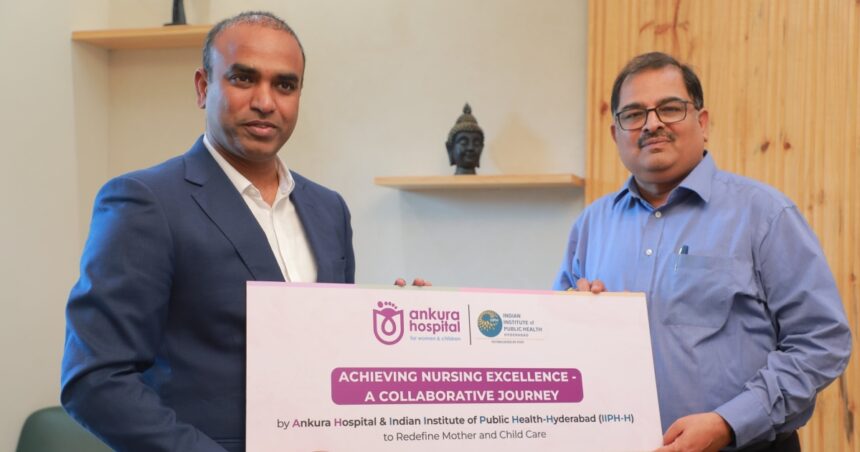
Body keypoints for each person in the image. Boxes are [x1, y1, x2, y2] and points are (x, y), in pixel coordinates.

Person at [61, 11, 355, 452]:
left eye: (284, 85)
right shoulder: (146, 202)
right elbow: (95, 379)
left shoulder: (329, 210)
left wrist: (404, 328)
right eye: (243, 78)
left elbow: (333, 357)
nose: (265, 101)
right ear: (203, 87)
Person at [553, 52, 851, 451]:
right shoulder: (591, 226)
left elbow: (822, 342)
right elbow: (558, 344)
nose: (652, 124)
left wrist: (730, 423)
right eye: (634, 114)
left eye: (670, 108)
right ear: (615, 133)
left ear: (703, 122)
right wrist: (574, 318)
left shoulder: (764, 215)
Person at [445, 103, 485, 175]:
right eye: (463, 142)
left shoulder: (492, 182)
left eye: (476, 143)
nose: (471, 148)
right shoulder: (441, 183)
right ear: (450, 149)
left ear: (481, 148)